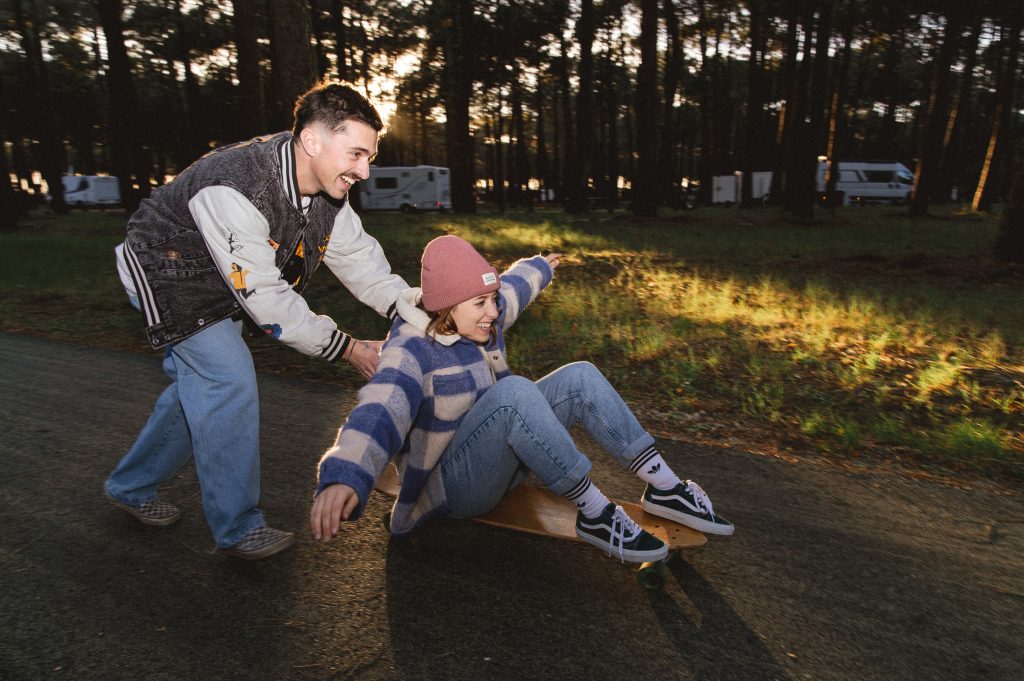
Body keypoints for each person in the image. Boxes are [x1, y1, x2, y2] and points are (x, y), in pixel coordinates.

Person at [105, 80, 408, 560]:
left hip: (225, 278)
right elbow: (267, 300)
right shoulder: (235, 187)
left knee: (200, 390)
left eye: (369, 157)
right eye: (356, 154)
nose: (364, 171)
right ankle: (238, 527)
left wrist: (417, 310)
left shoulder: (328, 190)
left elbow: (361, 261)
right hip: (166, 271)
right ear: (312, 141)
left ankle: (131, 486)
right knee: (227, 379)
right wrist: (348, 348)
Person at [310, 235, 733, 563]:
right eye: (481, 303)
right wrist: (345, 475)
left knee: (580, 376)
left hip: (503, 463)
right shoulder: (410, 350)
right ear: (445, 309)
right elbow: (378, 413)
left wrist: (540, 266)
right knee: (513, 393)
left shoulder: (477, 317)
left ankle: (665, 488)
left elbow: (512, 290)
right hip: (454, 488)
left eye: (491, 300)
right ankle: (594, 514)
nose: (493, 312)